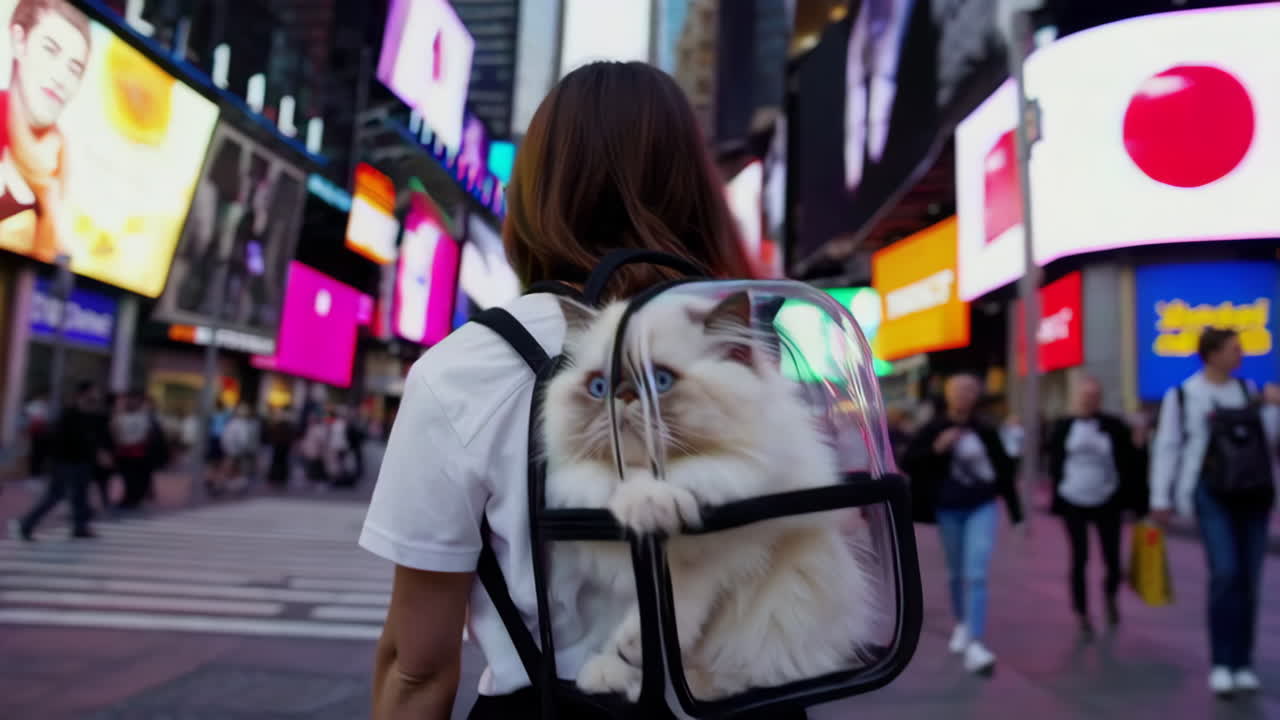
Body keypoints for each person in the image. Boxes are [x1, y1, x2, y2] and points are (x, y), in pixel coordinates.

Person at [358, 61, 752, 719]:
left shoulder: (464, 371)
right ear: (697, 194)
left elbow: (417, 666)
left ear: (532, 195)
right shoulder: (744, 350)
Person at [1150, 328, 1280, 696]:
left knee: (1249, 579)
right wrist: (1161, 496)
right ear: (1212, 354)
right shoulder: (1184, 395)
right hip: (1211, 493)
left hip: (1253, 493)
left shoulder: (1250, 391)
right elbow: (1168, 446)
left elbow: (1267, 442)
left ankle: (1243, 661)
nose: (1240, 354)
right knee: (1225, 572)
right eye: (1233, 348)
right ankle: (1222, 661)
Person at [903, 373, 1023, 675]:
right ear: (947, 394)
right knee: (957, 573)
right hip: (948, 508)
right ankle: (962, 624)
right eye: (957, 390)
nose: (963, 395)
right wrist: (936, 449)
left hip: (982, 506)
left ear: (976, 395)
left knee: (976, 573)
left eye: (969, 390)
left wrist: (1017, 513)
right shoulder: (934, 428)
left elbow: (1004, 470)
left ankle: (975, 642)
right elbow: (908, 461)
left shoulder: (985, 429)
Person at [1046, 376, 1145, 639]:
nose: (1089, 401)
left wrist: (1140, 444)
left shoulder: (1114, 426)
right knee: (1079, 557)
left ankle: (1110, 595)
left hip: (1107, 498)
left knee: (1112, 558)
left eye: (1094, 396)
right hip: (1073, 498)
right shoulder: (1064, 426)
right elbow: (1054, 460)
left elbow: (1131, 462)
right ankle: (1082, 612)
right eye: (1084, 396)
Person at [0, 0, 91, 261]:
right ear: (19, 41)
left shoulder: (63, 163)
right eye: (51, 50)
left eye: (74, 69)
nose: (61, 77)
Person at [11, 380, 107, 540]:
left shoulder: (92, 415)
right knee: (55, 495)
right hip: (65, 461)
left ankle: (80, 527)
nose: (96, 395)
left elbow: (94, 438)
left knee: (80, 495)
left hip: (83, 461)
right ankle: (27, 524)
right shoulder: (68, 414)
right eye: (93, 392)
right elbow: (60, 439)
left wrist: (97, 452)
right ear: (83, 394)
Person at [111, 391, 153, 509]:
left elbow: (146, 434)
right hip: (124, 450)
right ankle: (129, 497)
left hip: (138, 450)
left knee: (135, 476)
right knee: (127, 476)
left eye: (135, 400)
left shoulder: (143, 416)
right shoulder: (121, 416)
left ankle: (133, 498)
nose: (132, 402)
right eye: (130, 400)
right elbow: (115, 431)